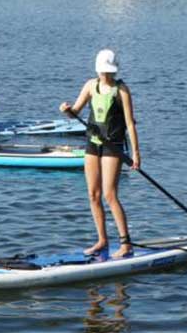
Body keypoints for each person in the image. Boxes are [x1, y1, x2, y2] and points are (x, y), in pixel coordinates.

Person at [59, 49, 141, 259]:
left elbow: (130, 124)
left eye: (109, 72)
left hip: (113, 146)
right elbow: (75, 112)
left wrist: (136, 153)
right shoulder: (90, 86)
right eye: (104, 72)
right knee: (93, 195)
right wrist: (67, 110)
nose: (106, 75)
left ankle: (126, 244)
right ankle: (102, 240)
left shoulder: (121, 90)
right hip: (93, 144)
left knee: (109, 194)